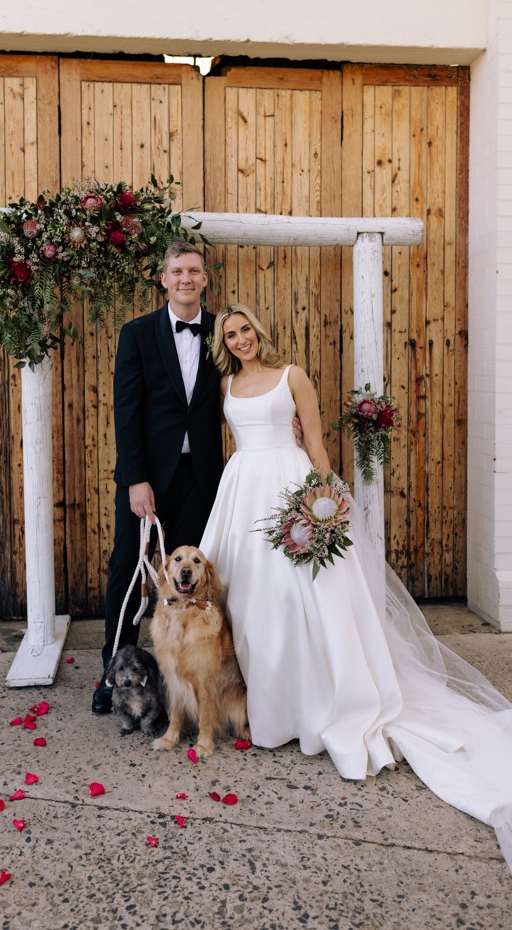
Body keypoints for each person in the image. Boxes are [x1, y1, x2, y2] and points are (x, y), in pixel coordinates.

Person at [199, 303, 512, 872]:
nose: (241, 339)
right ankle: (272, 711)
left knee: (306, 604)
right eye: (231, 334)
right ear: (224, 342)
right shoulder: (226, 384)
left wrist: (322, 505)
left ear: (260, 332)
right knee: (250, 607)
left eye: (246, 330)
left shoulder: (292, 375)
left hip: (292, 488)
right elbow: (238, 444)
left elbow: (316, 446)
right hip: (242, 491)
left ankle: (320, 704)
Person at [92, 242, 224, 715]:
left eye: (193, 271)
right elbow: (125, 412)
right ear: (164, 280)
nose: (185, 278)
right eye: (177, 271)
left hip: (200, 477)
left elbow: (247, 384)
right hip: (146, 478)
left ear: (205, 279)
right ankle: (113, 676)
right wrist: (134, 479)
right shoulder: (138, 334)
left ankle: (181, 677)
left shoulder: (221, 332)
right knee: (127, 570)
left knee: (188, 582)